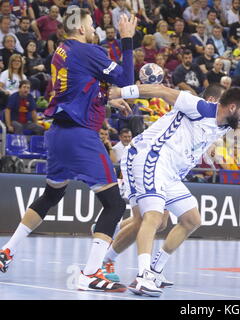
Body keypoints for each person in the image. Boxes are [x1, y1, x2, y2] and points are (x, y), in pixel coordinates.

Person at [0, 9, 137, 294]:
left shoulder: (62, 51)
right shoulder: (88, 50)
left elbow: (79, 89)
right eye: (92, 25)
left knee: (52, 194)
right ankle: (90, 273)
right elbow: (126, 79)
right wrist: (126, 40)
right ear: (82, 29)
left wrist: (107, 102)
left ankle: (6, 252)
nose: (96, 29)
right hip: (80, 135)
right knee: (114, 204)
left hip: (57, 134)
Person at [108, 83, 240, 296]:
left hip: (171, 174)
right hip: (152, 158)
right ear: (232, 107)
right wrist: (122, 92)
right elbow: (162, 90)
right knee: (152, 218)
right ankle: (142, 276)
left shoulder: (224, 124)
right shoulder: (200, 107)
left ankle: (155, 269)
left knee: (191, 219)